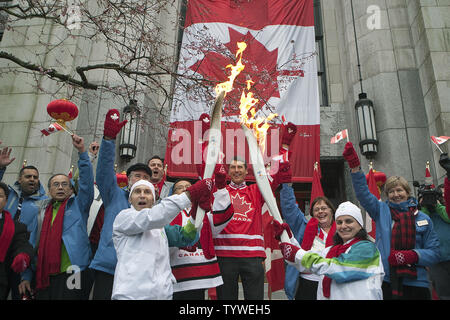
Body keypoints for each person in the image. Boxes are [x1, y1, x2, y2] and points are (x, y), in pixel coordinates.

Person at [343, 141, 440, 299]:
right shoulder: (382, 211)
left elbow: (435, 253)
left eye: (399, 190)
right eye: (391, 192)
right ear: (387, 195)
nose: (396, 194)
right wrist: (355, 167)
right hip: (387, 280)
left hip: (417, 283)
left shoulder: (423, 218)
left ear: (407, 192)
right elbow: (363, 194)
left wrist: (412, 255)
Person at [18, 134, 95, 300]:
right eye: (56, 184)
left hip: (73, 271)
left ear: (70, 190)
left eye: (65, 184)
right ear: (49, 190)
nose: (60, 187)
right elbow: (31, 245)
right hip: (44, 274)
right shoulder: (41, 211)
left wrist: (82, 153)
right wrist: (26, 276)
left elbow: (87, 183)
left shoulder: (79, 205)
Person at [89, 109, 154, 300]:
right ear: (129, 179)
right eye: (137, 176)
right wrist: (108, 140)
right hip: (109, 266)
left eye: (146, 178)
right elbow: (103, 172)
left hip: (138, 272)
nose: (141, 180)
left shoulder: (156, 209)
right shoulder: (115, 195)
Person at [112, 177, 213, 300]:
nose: (142, 195)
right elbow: (153, 216)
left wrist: (195, 215)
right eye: (137, 191)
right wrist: (190, 194)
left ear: (153, 200)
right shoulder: (123, 218)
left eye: (147, 192)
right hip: (131, 295)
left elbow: (187, 237)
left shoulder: (161, 228)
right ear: (130, 199)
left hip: (162, 295)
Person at [279, 201, 384, 300]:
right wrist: (289, 239)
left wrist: (297, 254)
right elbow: (305, 263)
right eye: (339, 222)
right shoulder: (330, 251)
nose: (343, 226)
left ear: (360, 225)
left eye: (349, 221)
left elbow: (339, 268)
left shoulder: (368, 250)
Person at [169, 166, 234, 300]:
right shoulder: (166, 212)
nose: (185, 189)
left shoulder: (203, 211)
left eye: (188, 186)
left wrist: (221, 188)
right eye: (179, 187)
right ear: (172, 194)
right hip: (173, 272)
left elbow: (220, 218)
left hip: (198, 275)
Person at [0, 142, 48, 299]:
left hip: (23, 258)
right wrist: (0, 168)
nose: (32, 180)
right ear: (19, 179)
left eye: (35, 177)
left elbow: (37, 238)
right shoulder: (7, 195)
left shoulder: (45, 202)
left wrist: (27, 272)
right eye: (28, 177)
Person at [279, 182, 336, 300]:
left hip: (332, 283)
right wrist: (287, 185)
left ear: (332, 211)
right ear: (312, 214)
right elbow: (290, 208)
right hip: (307, 283)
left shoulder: (342, 230)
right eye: (316, 210)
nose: (320, 211)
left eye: (324, 208)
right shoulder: (304, 226)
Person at [0, 181, 34, 300]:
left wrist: (22, 255)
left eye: (0, 196)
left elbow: (23, 245)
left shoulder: (17, 227)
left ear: (6, 201)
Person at [424, 153, 450, 299]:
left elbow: (448, 216)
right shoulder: (428, 212)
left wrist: (439, 206)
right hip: (437, 262)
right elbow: (423, 222)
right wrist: (426, 206)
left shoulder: (444, 209)